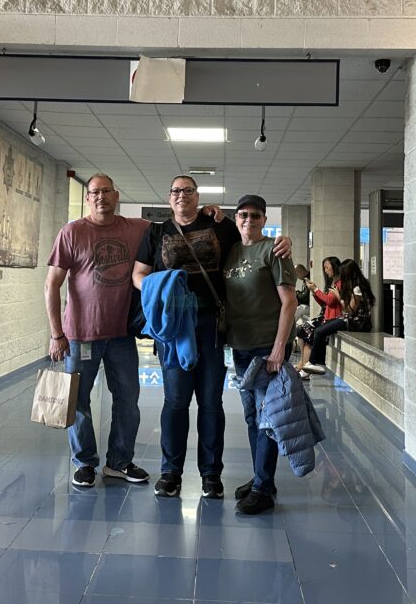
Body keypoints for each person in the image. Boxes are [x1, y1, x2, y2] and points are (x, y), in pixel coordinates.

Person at [132, 176, 291, 499]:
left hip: (210, 325)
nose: (181, 196)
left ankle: (210, 475)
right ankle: (170, 472)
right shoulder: (156, 232)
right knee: (175, 401)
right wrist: (157, 291)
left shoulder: (220, 225)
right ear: (169, 196)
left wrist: (283, 242)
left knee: (210, 401)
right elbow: (139, 274)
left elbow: (251, 241)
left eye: (187, 191)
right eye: (175, 191)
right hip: (174, 327)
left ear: (197, 195)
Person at [44, 173, 152, 488]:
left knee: (128, 399)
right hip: (80, 336)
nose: (101, 196)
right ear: (88, 198)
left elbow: (177, 224)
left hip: (121, 336)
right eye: (94, 192)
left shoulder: (138, 229)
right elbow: (52, 285)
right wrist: (56, 334)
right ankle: (85, 464)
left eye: (106, 191)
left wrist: (210, 211)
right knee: (77, 401)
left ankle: (119, 463)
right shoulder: (72, 232)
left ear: (116, 196)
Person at [222, 195, 297, 515]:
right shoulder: (232, 250)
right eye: (242, 215)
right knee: (253, 416)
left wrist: (279, 348)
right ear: (236, 219)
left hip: (268, 346)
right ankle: (259, 477)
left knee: (267, 417)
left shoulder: (274, 251)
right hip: (241, 346)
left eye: (255, 216)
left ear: (265, 220)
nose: (248, 220)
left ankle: (263, 487)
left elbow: (290, 302)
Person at [299, 259, 376, 380]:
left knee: (319, 331)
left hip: (356, 323)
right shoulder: (356, 285)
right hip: (350, 319)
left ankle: (314, 363)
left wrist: (338, 295)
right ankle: (314, 364)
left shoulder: (357, 288)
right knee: (320, 329)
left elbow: (350, 310)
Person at [295, 256, 342, 376]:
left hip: (332, 318)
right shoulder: (333, 283)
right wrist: (314, 292)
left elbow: (330, 301)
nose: (325, 271)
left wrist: (315, 289)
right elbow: (324, 302)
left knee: (309, 332)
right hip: (326, 316)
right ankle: (303, 363)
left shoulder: (339, 283)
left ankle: (306, 366)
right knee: (302, 329)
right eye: (324, 268)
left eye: (327, 268)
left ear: (335, 267)